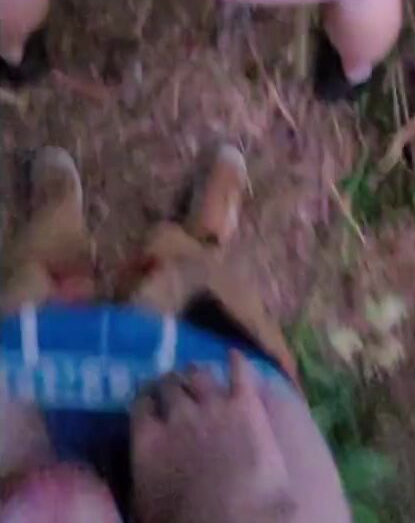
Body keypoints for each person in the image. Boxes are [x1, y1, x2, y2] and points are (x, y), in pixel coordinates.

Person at [0, 143, 350, 521]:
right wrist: (233, 504)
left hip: (25, 378)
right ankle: (201, 239)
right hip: (220, 385)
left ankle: (58, 216)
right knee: (190, 274)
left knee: (41, 278)